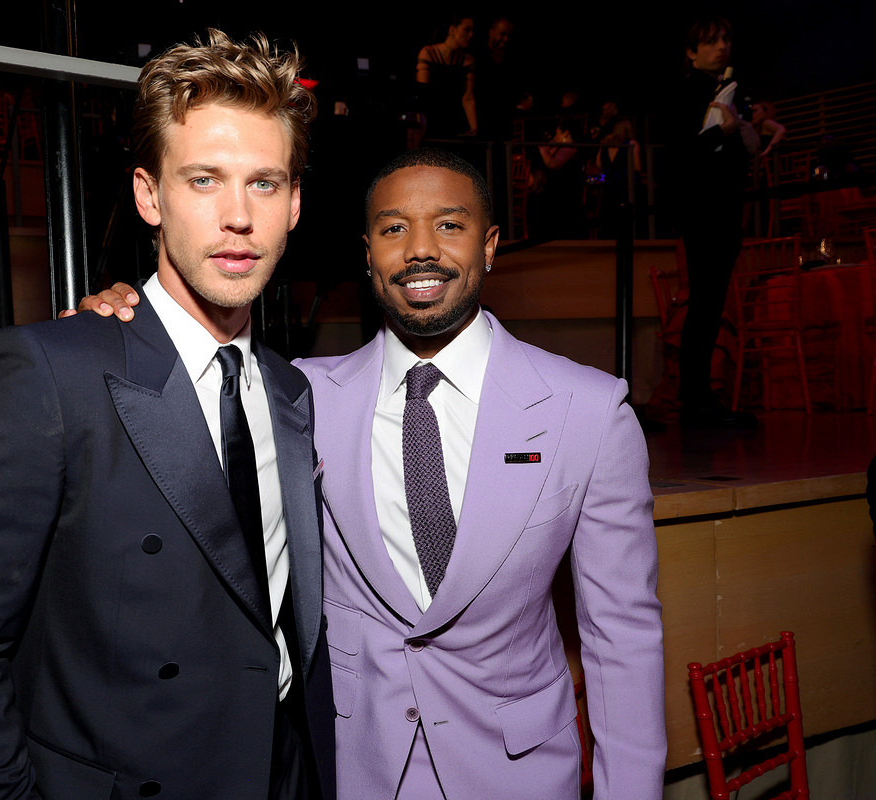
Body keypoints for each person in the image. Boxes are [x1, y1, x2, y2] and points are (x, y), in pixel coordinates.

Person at [80, 147, 667, 798]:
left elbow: (623, 637)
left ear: (490, 246)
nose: (421, 250)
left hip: (519, 773)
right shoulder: (295, 396)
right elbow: (178, 409)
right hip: (353, 769)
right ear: (367, 254)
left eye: (449, 225)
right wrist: (122, 328)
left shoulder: (589, 411)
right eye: (393, 229)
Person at [0, 29, 335, 800]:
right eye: (203, 180)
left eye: (265, 184)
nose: (238, 216)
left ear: (295, 203)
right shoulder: (50, 372)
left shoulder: (289, 391)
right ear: (149, 195)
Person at [670, 15, 756, 426]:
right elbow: (682, 154)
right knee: (704, 305)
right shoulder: (686, 91)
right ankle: (696, 401)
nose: (722, 46)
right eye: (711, 41)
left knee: (712, 305)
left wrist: (746, 133)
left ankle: (700, 398)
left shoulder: (726, 89)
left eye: (725, 39)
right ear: (692, 52)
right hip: (702, 211)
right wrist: (725, 132)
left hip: (725, 208)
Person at [415, 14, 478, 138]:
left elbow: (468, 97)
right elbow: (423, 93)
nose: (471, 35)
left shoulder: (467, 60)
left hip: (455, 121)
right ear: (452, 29)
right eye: (466, 30)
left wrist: (474, 127)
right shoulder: (428, 53)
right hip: (431, 120)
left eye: (472, 31)